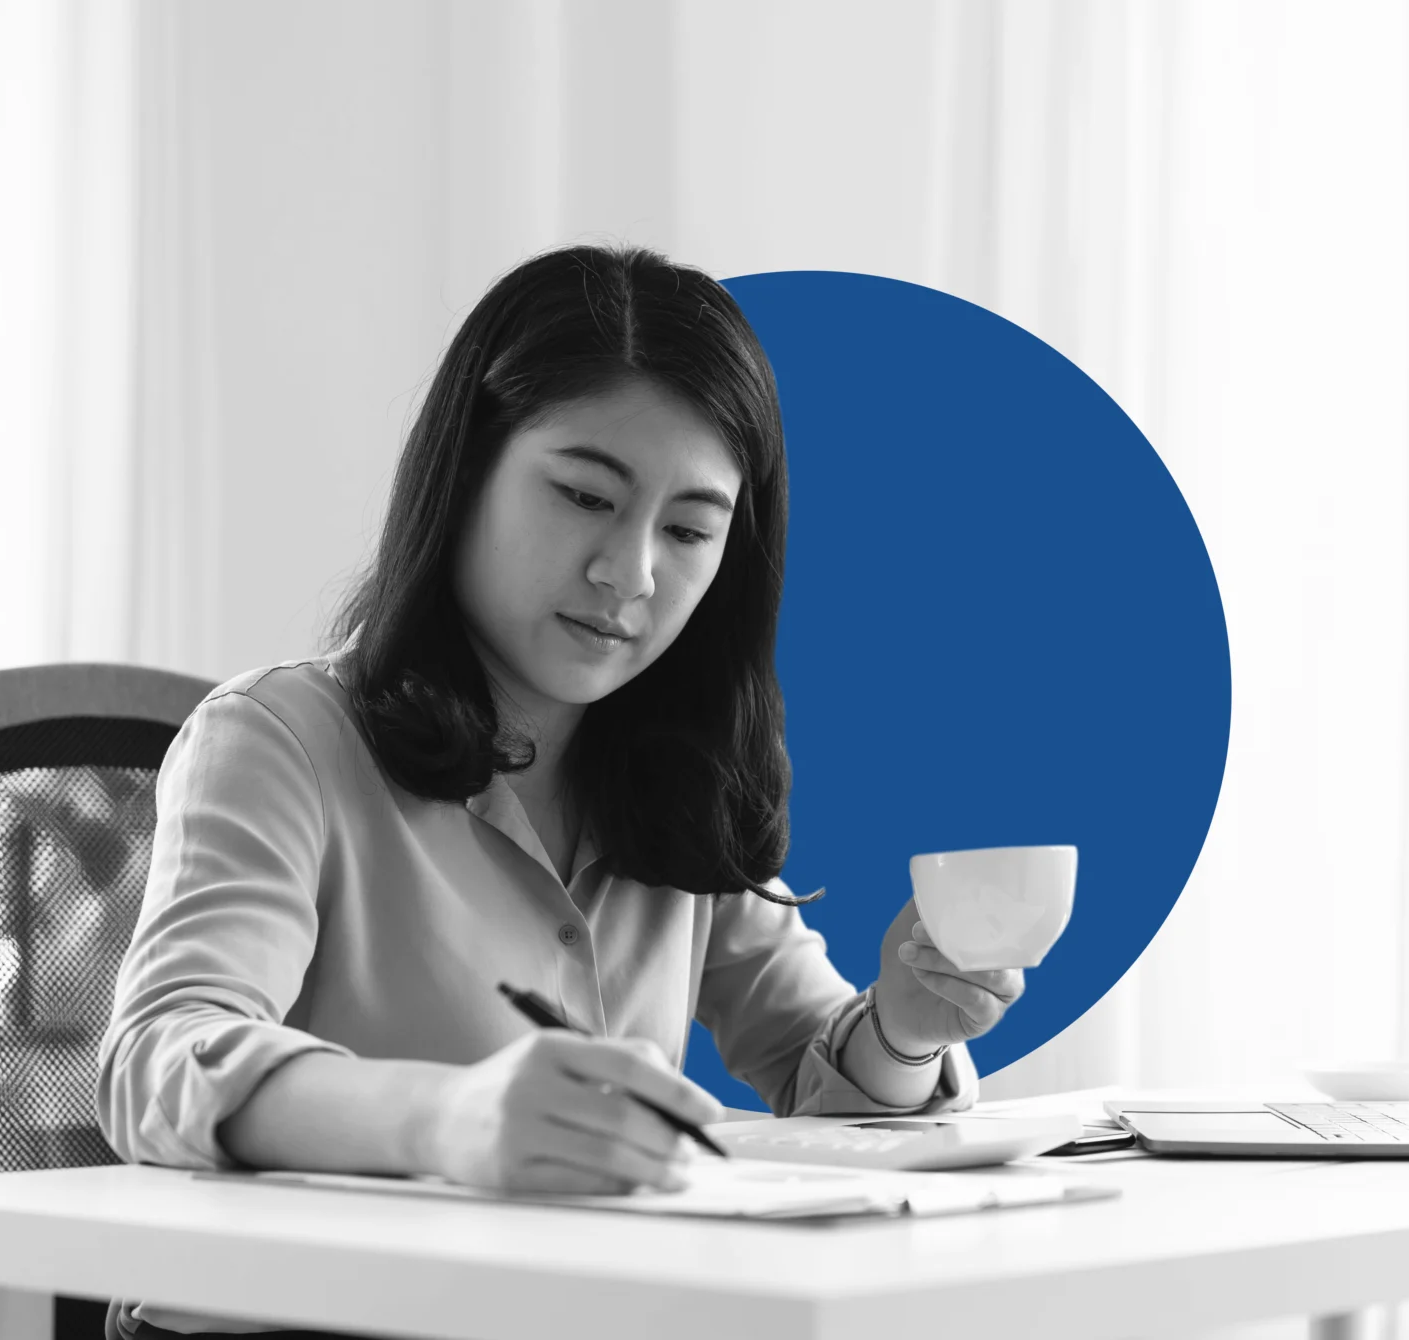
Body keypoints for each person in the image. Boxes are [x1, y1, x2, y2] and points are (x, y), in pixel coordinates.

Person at [94, 245, 1024, 1337]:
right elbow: (157, 1054)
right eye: (585, 494)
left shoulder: (675, 776)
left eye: (688, 529)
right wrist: (448, 1118)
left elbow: (820, 1089)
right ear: (467, 472)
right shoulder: (280, 739)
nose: (628, 572)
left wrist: (904, 1034)